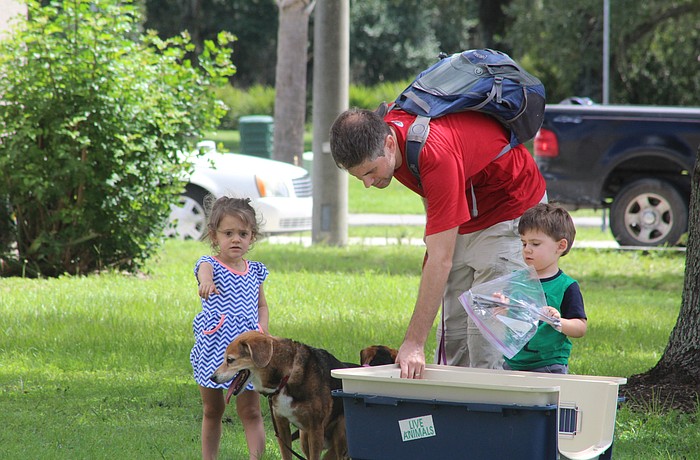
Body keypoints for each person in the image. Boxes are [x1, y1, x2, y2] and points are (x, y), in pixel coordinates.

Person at [330, 107, 547, 379]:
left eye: (371, 171)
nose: (367, 183)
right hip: (465, 208)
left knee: (487, 332)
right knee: (453, 335)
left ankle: (492, 412)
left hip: (510, 208)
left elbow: (440, 259)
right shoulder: (383, 133)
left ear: (388, 143)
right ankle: (455, 413)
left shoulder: (433, 152)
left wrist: (413, 343)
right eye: (359, 176)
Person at [190, 196, 269, 460]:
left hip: (246, 353)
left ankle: (256, 457)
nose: (236, 239)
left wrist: (262, 331)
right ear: (214, 236)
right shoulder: (209, 265)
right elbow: (204, 275)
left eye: (243, 233)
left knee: (251, 411)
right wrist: (205, 284)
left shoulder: (255, 271)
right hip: (214, 349)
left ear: (252, 237)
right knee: (212, 410)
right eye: (228, 233)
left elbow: (261, 307)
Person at [504, 202, 587, 373]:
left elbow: (580, 328)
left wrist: (557, 321)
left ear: (560, 246)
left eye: (535, 244)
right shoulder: (516, 280)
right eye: (524, 243)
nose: (527, 250)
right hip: (512, 364)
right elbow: (512, 317)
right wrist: (500, 306)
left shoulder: (567, 286)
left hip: (549, 365)